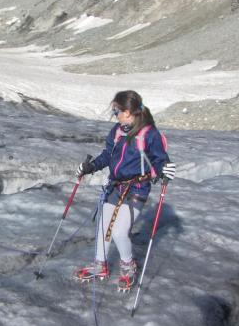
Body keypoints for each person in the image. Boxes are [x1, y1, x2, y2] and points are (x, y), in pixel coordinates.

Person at [74, 90, 176, 292]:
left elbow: (159, 159)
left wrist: (166, 169)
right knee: (103, 227)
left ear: (128, 112)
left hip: (137, 188)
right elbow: (108, 155)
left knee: (120, 233)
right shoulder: (117, 130)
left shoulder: (149, 134)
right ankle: (100, 265)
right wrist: (91, 167)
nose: (115, 115)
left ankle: (128, 266)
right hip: (115, 185)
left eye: (116, 111)